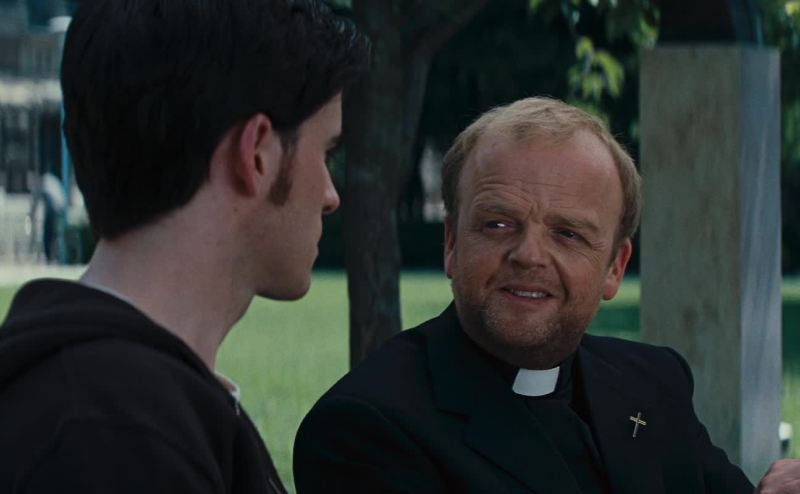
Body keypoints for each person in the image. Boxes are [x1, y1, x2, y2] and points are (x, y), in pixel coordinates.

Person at [293, 97, 799, 493]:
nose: (529, 255)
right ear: (451, 244)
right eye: (497, 224)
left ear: (615, 267)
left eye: (568, 234)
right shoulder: (366, 427)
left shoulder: (654, 383)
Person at [0, 0, 367, 492]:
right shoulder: (116, 438)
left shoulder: (116, 402)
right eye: (326, 152)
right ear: (257, 154)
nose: (330, 195)